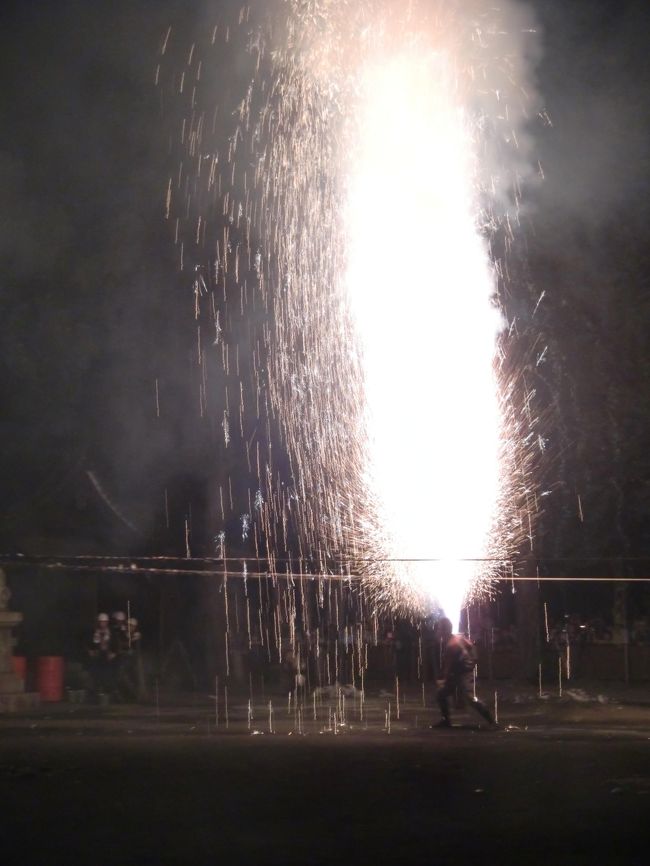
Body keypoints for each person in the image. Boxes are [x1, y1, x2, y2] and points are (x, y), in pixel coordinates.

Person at [434, 617, 497, 729]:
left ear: (445, 631)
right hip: (459, 672)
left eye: (439, 629)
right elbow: (471, 646)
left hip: (464, 673)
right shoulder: (458, 637)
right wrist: (473, 659)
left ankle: (492, 721)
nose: (438, 632)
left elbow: (447, 669)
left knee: (470, 698)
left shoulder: (451, 646)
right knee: (441, 694)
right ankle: (446, 721)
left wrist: (443, 681)